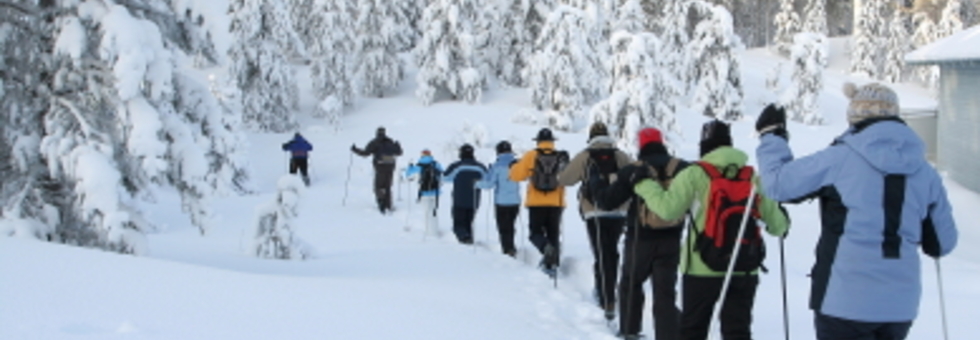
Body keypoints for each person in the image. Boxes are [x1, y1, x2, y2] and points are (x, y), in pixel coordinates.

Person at [754, 83, 958, 340]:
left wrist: (772, 136)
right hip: (899, 307)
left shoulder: (840, 158)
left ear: (854, 116)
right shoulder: (925, 172)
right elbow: (942, 244)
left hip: (843, 301)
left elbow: (778, 185)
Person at [631, 120, 789, 340]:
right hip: (744, 266)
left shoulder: (694, 174)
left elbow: (668, 210)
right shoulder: (752, 177)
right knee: (737, 332)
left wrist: (643, 185)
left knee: (693, 331)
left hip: (701, 266)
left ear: (704, 146)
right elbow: (779, 227)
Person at [591, 127, 687, 340]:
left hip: (639, 239)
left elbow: (607, 201)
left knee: (631, 284)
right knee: (665, 293)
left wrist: (596, 183)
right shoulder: (681, 167)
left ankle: (629, 331)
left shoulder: (634, 170)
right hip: (672, 239)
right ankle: (668, 335)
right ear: (661, 142)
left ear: (640, 144)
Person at [557, 122, 632, 319]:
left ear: (591, 137)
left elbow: (565, 179)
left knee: (601, 253)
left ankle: (604, 296)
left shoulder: (586, 155)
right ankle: (609, 294)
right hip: (618, 212)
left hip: (594, 212)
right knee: (612, 252)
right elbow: (634, 175)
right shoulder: (620, 155)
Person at [509, 128, 569, 276]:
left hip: (536, 203)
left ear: (538, 141)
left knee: (535, 233)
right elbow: (567, 178)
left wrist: (513, 166)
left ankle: (545, 249)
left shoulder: (531, 155)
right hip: (556, 203)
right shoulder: (561, 157)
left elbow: (516, 176)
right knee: (553, 234)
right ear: (552, 142)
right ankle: (552, 265)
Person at [478, 141, 522, 257]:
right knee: (511, 225)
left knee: (503, 227)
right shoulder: (517, 164)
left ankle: (507, 250)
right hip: (515, 201)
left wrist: (476, 184)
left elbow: (489, 184)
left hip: (501, 202)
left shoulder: (496, 166)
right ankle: (511, 246)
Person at [443, 144, 488, 244]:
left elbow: (445, 178)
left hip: (459, 199)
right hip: (474, 200)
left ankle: (464, 239)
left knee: (458, 224)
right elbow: (487, 181)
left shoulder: (456, 166)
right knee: (468, 222)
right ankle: (468, 239)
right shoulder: (480, 166)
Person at [352, 127, 403, 214]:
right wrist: (397, 145)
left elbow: (365, 153)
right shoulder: (390, 142)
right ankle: (388, 205)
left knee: (378, 187)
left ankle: (381, 204)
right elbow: (399, 152)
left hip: (380, 167)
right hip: (390, 166)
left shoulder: (375, 142)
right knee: (387, 186)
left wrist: (355, 149)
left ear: (377, 133)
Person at [404, 149, 443, 237]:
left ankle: (429, 233)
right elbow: (442, 173)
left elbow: (407, 174)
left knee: (426, 212)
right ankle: (435, 231)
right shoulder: (436, 164)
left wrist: (410, 167)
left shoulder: (419, 165)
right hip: (436, 192)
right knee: (434, 211)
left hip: (424, 192)